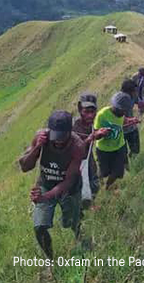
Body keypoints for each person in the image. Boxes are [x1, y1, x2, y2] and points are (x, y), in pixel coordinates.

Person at [18, 111, 85, 259]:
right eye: (55, 137)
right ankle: (51, 259)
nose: (58, 141)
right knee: (39, 227)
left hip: (69, 189)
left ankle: (80, 237)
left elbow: (68, 181)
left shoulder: (78, 146)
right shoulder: (41, 137)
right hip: (46, 184)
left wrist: (45, 197)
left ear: (70, 131)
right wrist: (37, 148)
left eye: (62, 137)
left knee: (72, 222)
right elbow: (25, 167)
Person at [72, 92, 111, 208]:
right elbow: (75, 150)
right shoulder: (73, 126)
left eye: (92, 112)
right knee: (78, 187)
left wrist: (100, 134)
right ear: (79, 108)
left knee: (94, 184)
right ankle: (80, 211)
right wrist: (92, 138)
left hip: (88, 159)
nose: (90, 115)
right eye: (86, 111)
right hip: (75, 163)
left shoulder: (92, 124)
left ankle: (90, 205)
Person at [94, 92, 139, 189]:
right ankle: (98, 179)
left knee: (118, 172)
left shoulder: (121, 114)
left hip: (119, 147)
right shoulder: (102, 115)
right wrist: (101, 133)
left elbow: (123, 120)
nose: (124, 113)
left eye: (125, 111)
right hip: (104, 149)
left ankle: (107, 187)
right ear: (115, 107)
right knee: (104, 172)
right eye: (122, 111)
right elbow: (95, 135)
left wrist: (131, 120)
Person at [120, 79, 144, 169]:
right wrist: (131, 120)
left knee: (136, 150)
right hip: (121, 130)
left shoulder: (133, 96)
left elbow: (141, 104)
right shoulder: (120, 99)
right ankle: (126, 168)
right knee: (122, 152)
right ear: (129, 91)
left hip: (132, 128)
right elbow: (118, 117)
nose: (136, 92)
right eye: (134, 90)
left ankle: (131, 161)